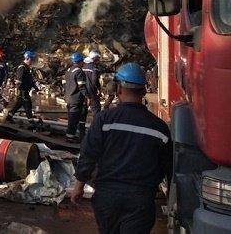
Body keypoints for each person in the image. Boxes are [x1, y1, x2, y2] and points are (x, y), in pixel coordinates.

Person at [71, 62, 172, 234]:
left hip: (107, 197)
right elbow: (167, 167)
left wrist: (79, 186)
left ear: (118, 89)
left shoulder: (104, 120)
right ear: (144, 91)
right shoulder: (159, 128)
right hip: (141, 199)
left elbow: (88, 155)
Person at [64, 52, 90, 140]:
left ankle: (71, 134)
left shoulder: (68, 70)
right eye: (82, 61)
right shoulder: (79, 71)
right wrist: (88, 96)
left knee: (71, 117)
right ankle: (70, 137)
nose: (83, 63)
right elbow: (81, 86)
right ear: (80, 61)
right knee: (74, 118)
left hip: (68, 97)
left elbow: (65, 84)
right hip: (75, 98)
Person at [7, 50, 38, 121]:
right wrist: (17, 90)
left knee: (18, 105)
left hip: (25, 90)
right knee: (28, 105)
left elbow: (30, 80)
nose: (31, 61)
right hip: (23, 91)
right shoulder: (22, 67)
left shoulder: (27, 68)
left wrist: (36, 88)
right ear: (27, 58)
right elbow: (19, 80)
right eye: (31, 59)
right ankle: (31, 121)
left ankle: (9, 117)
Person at [83, 50, 102, 115]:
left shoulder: (83, 66)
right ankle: (96, 121)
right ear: (94, 58)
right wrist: (98, 89)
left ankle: (81, 121)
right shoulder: (94, 68)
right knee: (96, 108)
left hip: (83, 90)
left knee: (84, 108)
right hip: (91, 91)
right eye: (98, 58)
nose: (99, 60)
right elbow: (94, 80)